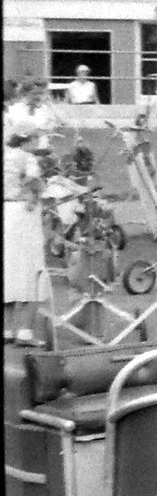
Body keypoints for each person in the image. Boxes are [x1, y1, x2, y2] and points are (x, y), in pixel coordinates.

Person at [4, 123, 50, 338]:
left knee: (9, 269)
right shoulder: (28, 158)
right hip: (24, 214)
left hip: (6, 212)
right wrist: (37, 194)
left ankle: (6, 329)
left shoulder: (6, 155)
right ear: (28, 140)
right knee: (32, 268)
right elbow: (33, 183)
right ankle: (25, 330)